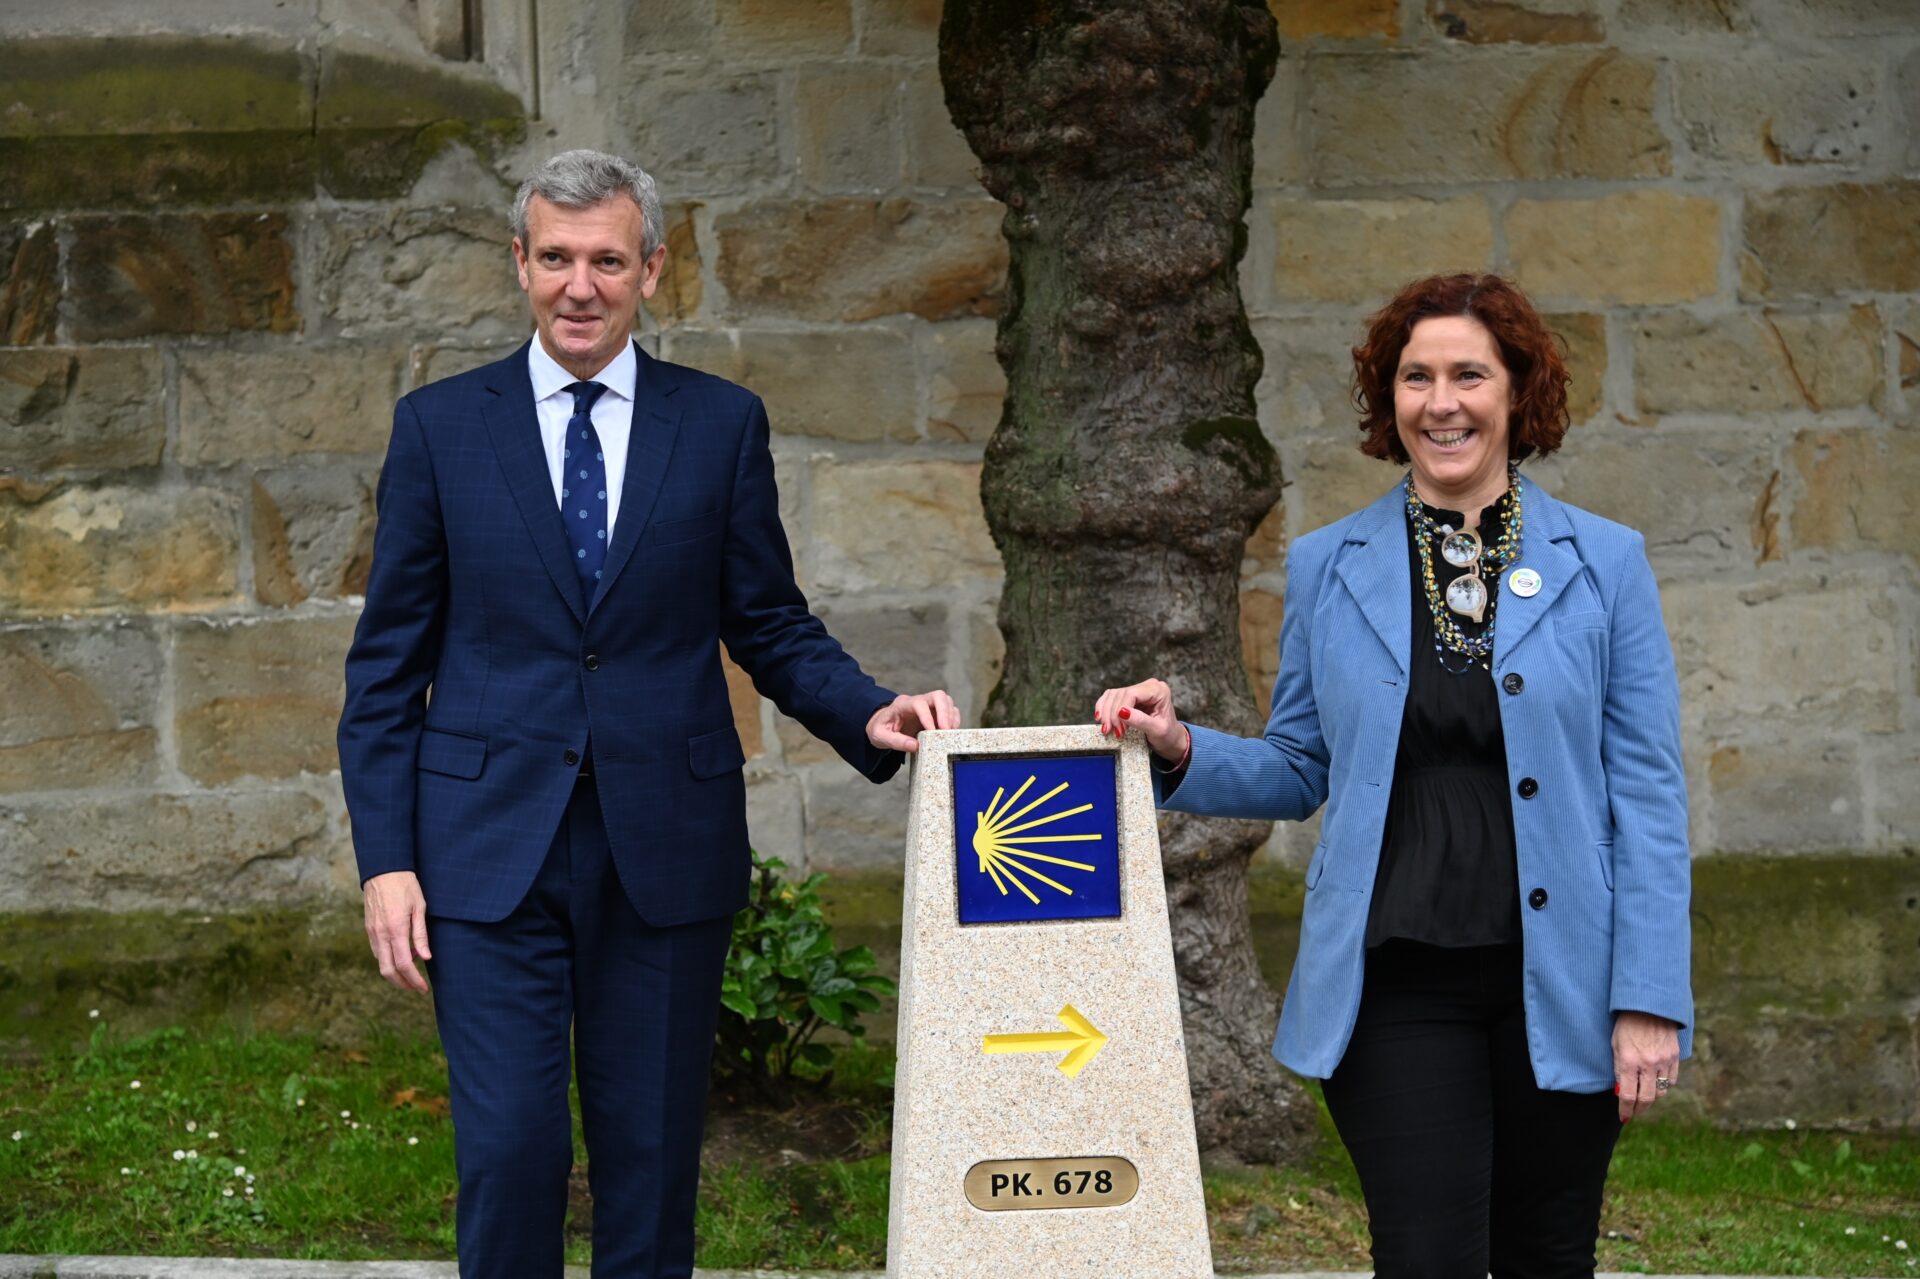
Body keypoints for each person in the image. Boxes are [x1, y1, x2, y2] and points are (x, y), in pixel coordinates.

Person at [337, 148, 959, 1279]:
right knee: (511, 1155)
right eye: (557, 258)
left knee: (652, 1166)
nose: (581, 286)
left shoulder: (718, 425)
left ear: (653, 270)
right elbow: (385, 672)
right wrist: (387, 861)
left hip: (663, 848)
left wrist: (869, 711)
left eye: (608, 261)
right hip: (485, 853)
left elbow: (767, 619)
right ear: (519, 263)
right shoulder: (440, 427)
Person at [1095, 273, 1691, 1277]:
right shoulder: (1330, 563)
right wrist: (1180, 746)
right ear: (1389, 396)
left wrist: (1649, 995)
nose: (1441, 402)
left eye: (1469, 375)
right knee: (1424, 1256)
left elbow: (1649, 795)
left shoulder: (1606, 562)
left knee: (1548, 1256)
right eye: (1416, 377)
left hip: (1566, 981)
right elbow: (1299, 766)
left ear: (1518, 392)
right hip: (1393, 982)